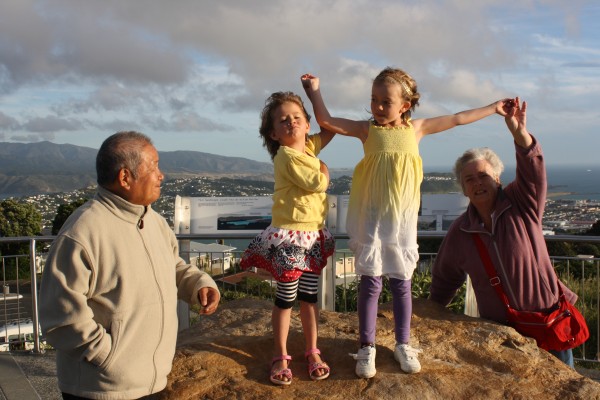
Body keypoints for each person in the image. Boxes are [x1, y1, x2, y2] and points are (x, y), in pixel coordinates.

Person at [301, 68, 512, 378]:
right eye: (374, 100)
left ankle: (402, 343)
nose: (377, 107)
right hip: (372, 218)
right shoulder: (367, 130)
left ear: (405, 105)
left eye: (386, 101)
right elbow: (327, 122)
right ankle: (367, 347)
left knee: (402, 284)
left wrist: (494, 108)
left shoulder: (417, 129)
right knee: (370, 283)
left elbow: (457, 118)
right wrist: (313, 91)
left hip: (401, 220)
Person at [39, 131, 221, 399]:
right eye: (154, 166)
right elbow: (60, 316)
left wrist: (198, 284)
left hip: (153, 382)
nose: (161, 175)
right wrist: (109, 358)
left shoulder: (154, 222)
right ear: (125, 177)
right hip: (101, 390)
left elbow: (172, 265)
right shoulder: (83, 232)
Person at [429, 98, 578, 367]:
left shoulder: (522, 204)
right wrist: (429, 315)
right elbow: (444, 280)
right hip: (502, 335)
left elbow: (533, 171)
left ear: (498, 178)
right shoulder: (461, 231)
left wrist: (519, 133)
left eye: (483, 176)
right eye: (469, 180)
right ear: (463, 189)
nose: (477, 183)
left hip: (547, 323)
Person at [240, 91, 335, 385]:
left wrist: (314, 93)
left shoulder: (308, 146)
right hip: (290, 238)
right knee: (286, 299)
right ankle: (281, 354)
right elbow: (317, 182)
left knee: (309, 298)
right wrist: (325, 168)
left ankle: (312, 350)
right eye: (283, 121)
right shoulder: (287, 155)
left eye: (297, 118)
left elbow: (329, 127)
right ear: (274, 134)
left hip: (311, 236)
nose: (292, 123)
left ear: (307, 125)